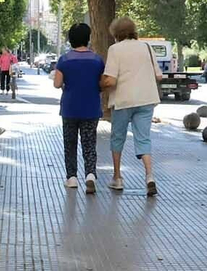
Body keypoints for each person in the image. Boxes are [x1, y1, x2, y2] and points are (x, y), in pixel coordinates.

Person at [102, 17, 159, 196]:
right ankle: (149, 176)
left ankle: (117, 177)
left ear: (116, 33)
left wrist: (99, 85)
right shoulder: (147, 48)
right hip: (146, 99)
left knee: (117, 138)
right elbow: (159, 76)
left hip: (123, 100)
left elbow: (111, 79)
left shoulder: (115, 49)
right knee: (144, 139)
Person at [53, 22, 105, 194]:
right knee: (89, 143)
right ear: (88, 38)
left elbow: (57, 83)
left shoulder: (64, 60)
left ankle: (72, 178)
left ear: (71, 39)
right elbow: (102, 83)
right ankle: (90, 174)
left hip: (70, 107)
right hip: (91, 107)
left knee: (70, 143)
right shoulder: (97, 60)